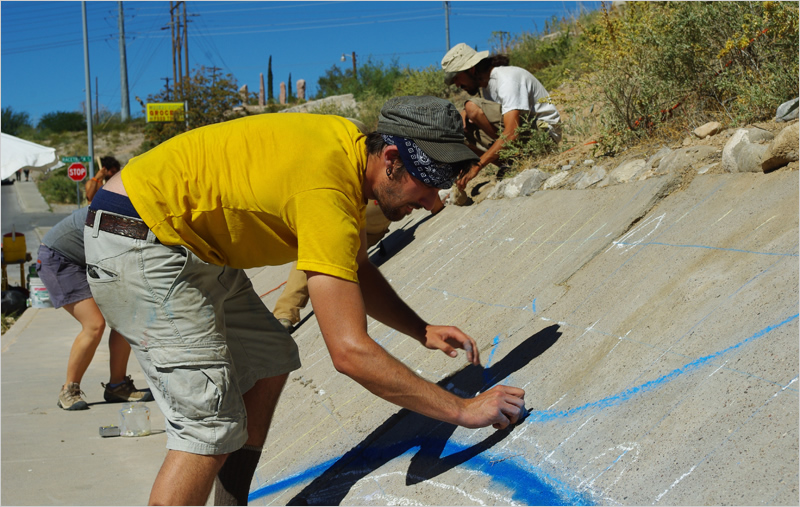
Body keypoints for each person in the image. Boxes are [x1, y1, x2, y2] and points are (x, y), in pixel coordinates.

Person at [83, 96, 526, 505]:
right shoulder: (327, 194)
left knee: (270, 359)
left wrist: (420, 329)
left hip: (183, 238)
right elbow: (350, 352)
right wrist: (462, 410)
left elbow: (352, 268)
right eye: (428, 186)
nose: (433, 204)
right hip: (141, 240)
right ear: (391, 161)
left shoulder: (347, 149)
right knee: (209, 424)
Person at [36, 207, 153, 410]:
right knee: (94, 325)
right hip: (60, 258)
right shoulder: (124, 210)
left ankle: (117, 386)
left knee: (125, 318)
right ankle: (68, 390)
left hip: (90, 258)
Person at [441, 43, 562, 191]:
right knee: (460, 129)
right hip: (525, 137)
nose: (458, 85)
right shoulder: (487, 87)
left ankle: (518, 158)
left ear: (471, 69)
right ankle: (512, 162)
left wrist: (477, 166)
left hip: (544, 136)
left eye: (457, 78)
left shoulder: (507, 79)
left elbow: (512, 131)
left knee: (472, 108)